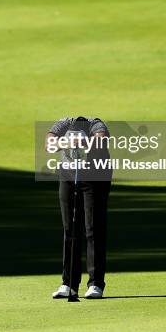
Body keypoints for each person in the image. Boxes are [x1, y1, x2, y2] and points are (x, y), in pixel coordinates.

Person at [46, 116, 111, 299]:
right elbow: (49, 144)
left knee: (93, 229)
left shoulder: (96, 124)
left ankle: (96, 284)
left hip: (95, 176)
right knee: (70, 229)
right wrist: (67, 142)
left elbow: (101, 139)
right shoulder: (63, 123)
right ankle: (69, 284)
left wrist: (84, 141)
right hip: (68, 175)